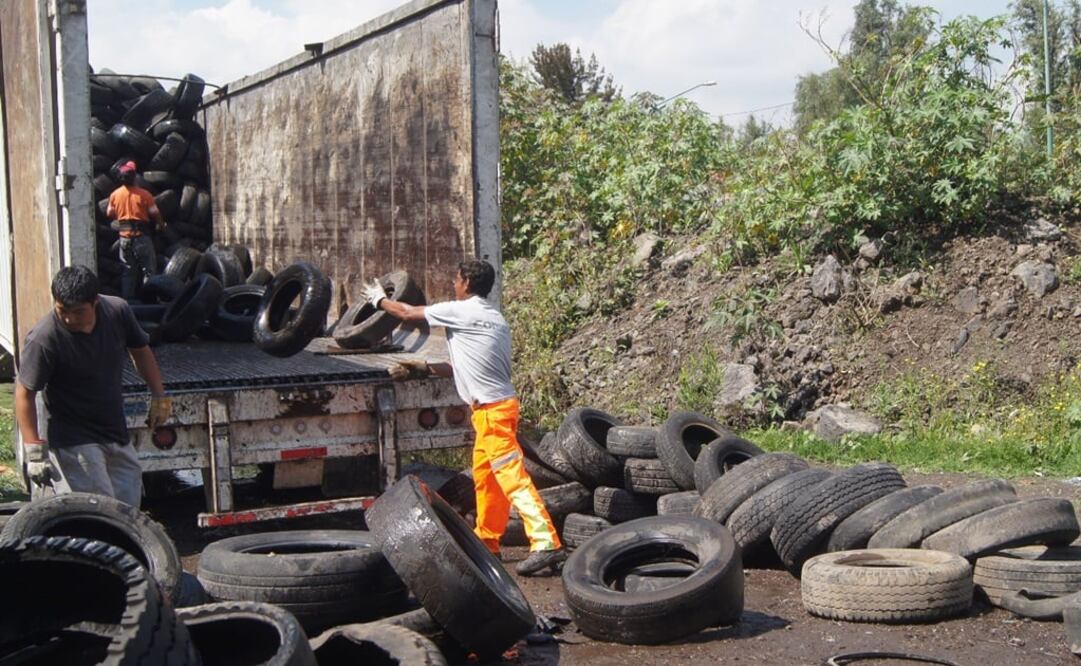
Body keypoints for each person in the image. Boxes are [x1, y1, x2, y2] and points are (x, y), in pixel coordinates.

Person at [363, 259, 566, 576]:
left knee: (512, 478)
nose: (453, 285)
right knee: (488, 483)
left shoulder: (462, 311)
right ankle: (488, 544)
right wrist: (425, 367)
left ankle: (546, 542)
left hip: (493, 412)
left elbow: (405, 313)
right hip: (494, 409)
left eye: (456, 280)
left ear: (467, 283)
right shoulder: (494, 318)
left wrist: (379, 300)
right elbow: (469, 365)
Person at [14, 266, 173, 507]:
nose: (68, 318)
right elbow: (25, 393)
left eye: (78, 312)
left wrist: (159, 396)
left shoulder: (117, 311)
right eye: (62, 310)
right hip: (74, 439)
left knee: (128, 511)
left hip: (114, 431)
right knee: (97, 511)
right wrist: (34, 451)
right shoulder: (45, 338)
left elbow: (141, 352)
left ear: (95, 302)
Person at [106, 160, 166, 300]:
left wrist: (122, 213)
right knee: (149, 270)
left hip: (124, 239)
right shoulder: (144, 194)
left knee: (128, 271)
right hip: (142, 238)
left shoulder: (115, 195)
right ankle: (149, 300)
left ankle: (128, 301)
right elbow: (155, 213)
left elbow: (109, 213)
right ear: (134, 177)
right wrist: (161, 224)